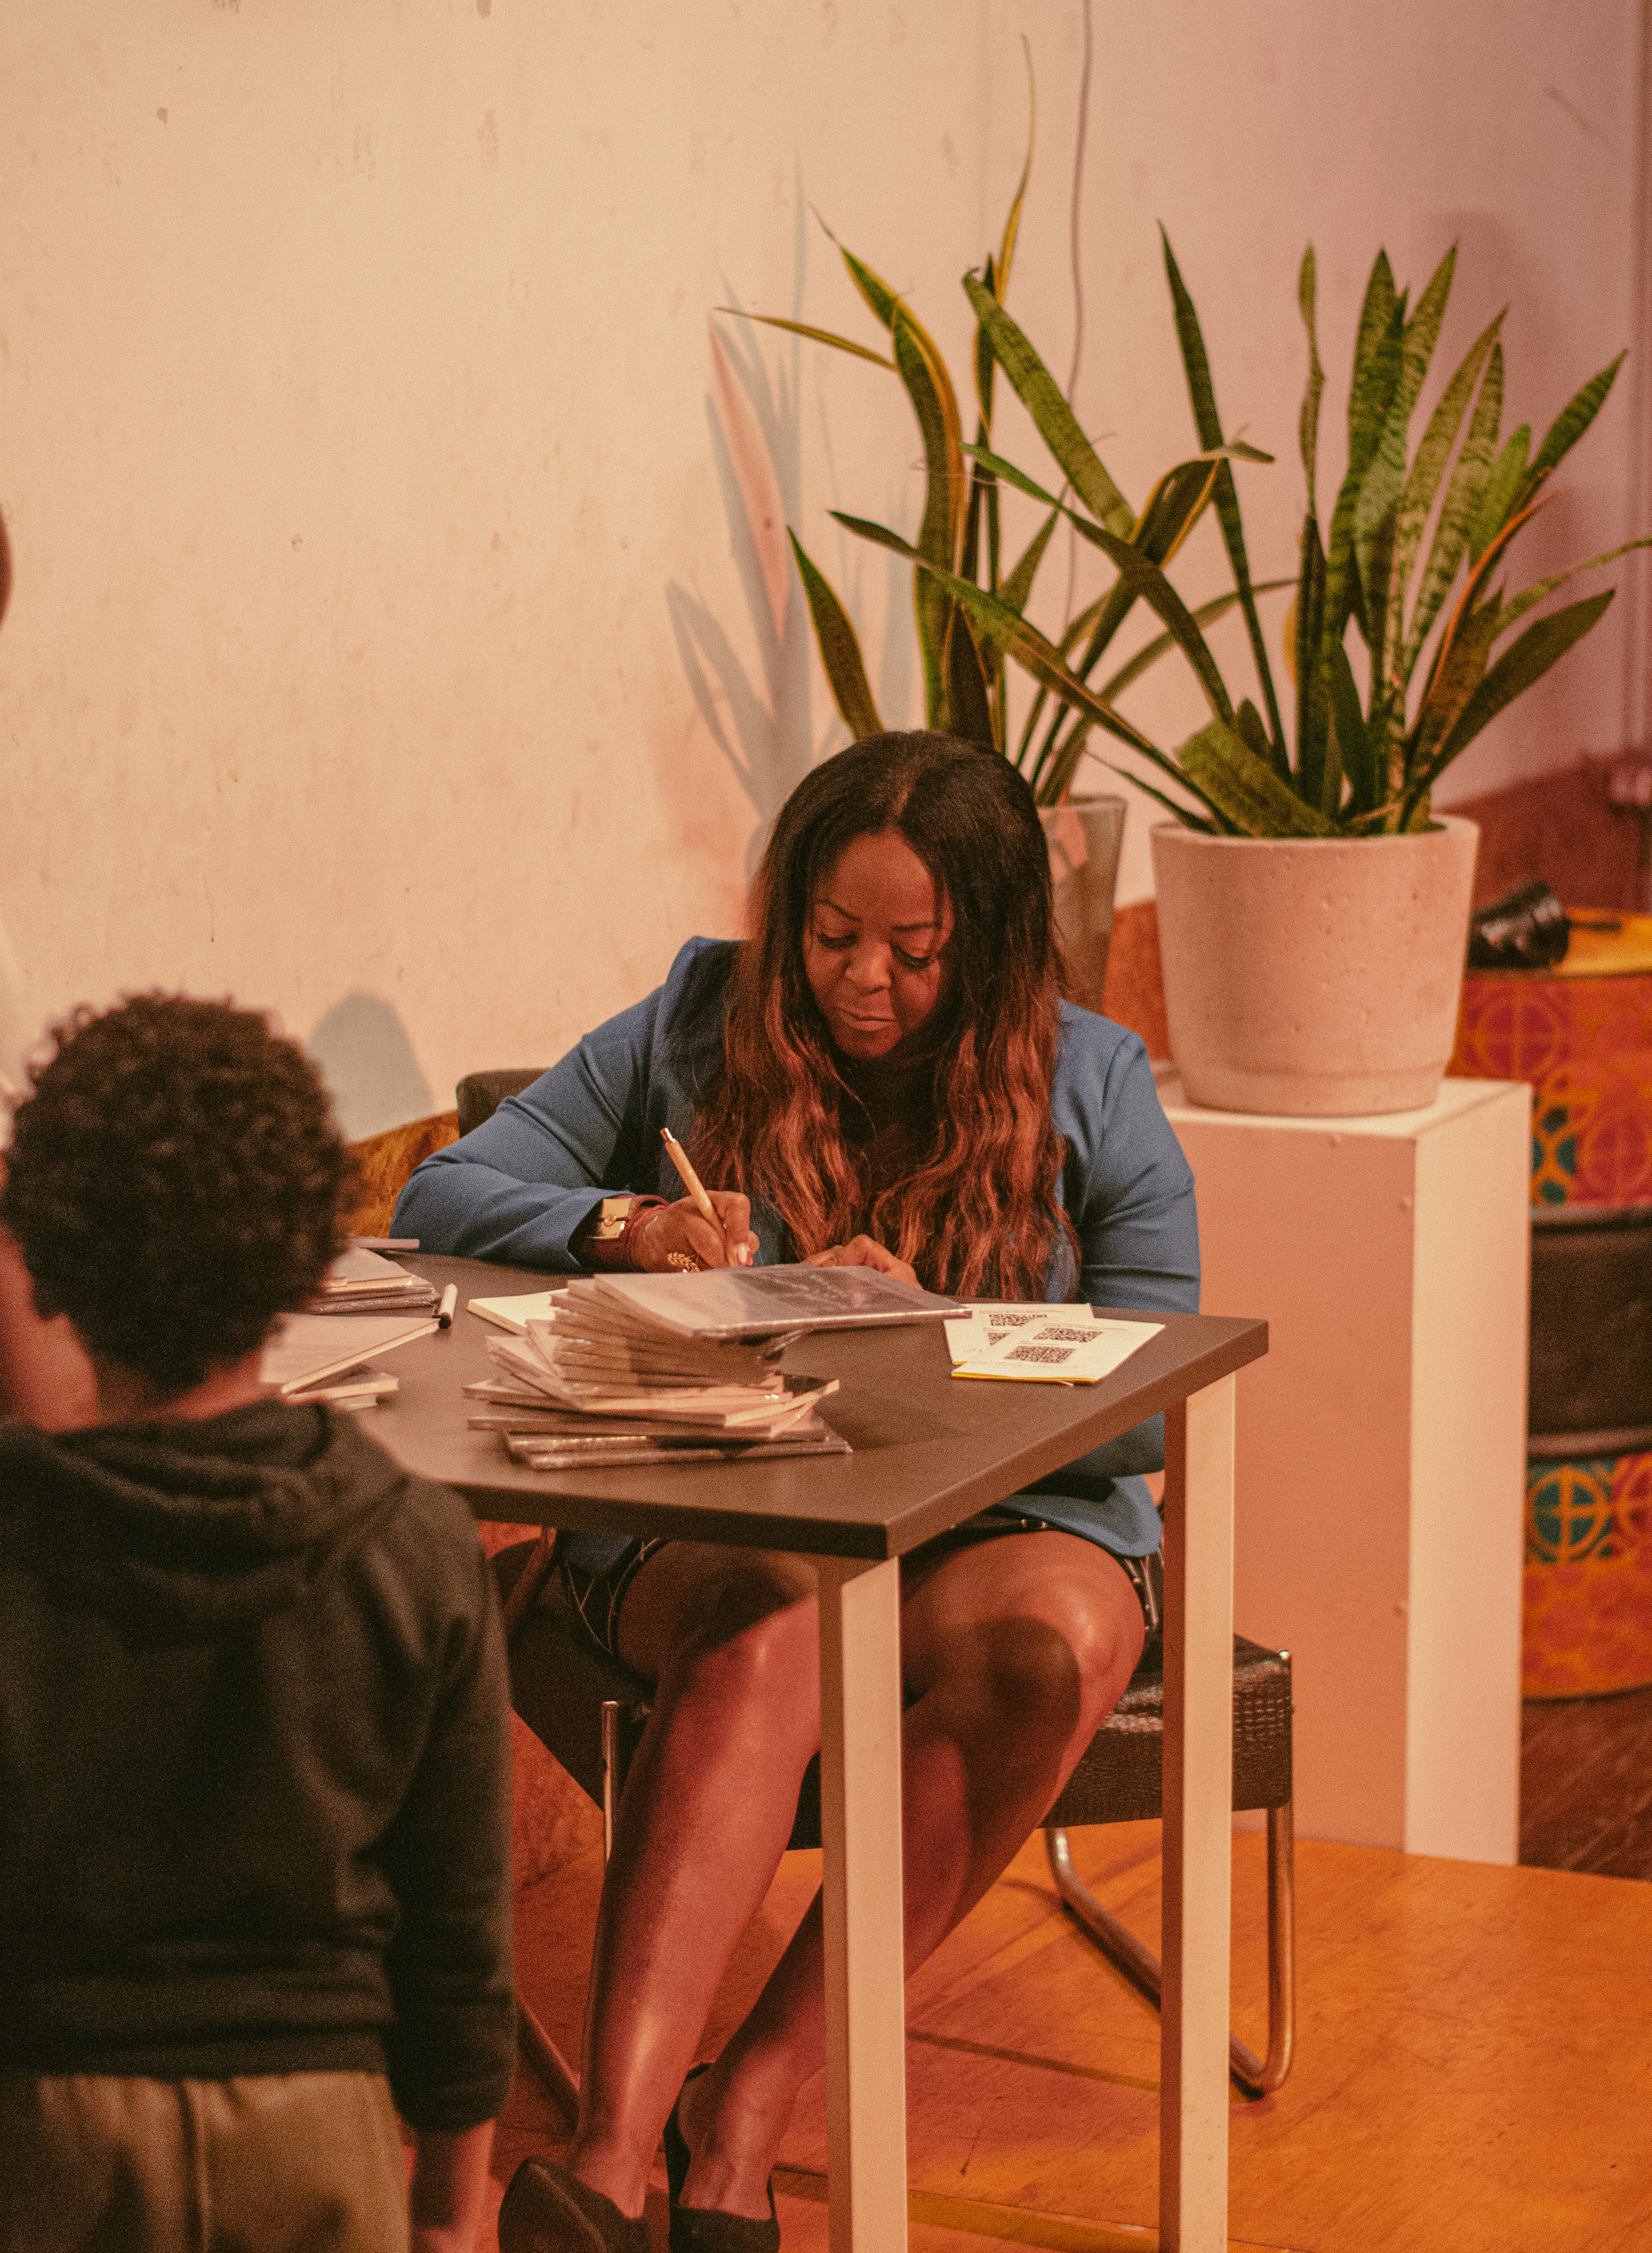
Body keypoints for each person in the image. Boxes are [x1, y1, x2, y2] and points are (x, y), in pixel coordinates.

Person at [400, 730, 1198, 2253]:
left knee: (1046, 1646)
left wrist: (935, 1349)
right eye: (832, 938)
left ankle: (747, 2108)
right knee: (777, 1611)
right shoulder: (700, 1015)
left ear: (992, 943)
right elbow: (438, 1192)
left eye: (913, 951)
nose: (863, 982)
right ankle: (612, 2170)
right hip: (725, 1506)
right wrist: (627, 1224)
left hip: (1000, 1525)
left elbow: (1151, 1376)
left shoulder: (1087, 1075)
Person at [0, 995, 516, 2253]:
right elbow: (461, 1925)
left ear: (49, 1263)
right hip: (321, 2125)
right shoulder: (414, 1540)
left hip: (47, 2115)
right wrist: (450, 2209)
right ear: (306, 1260)